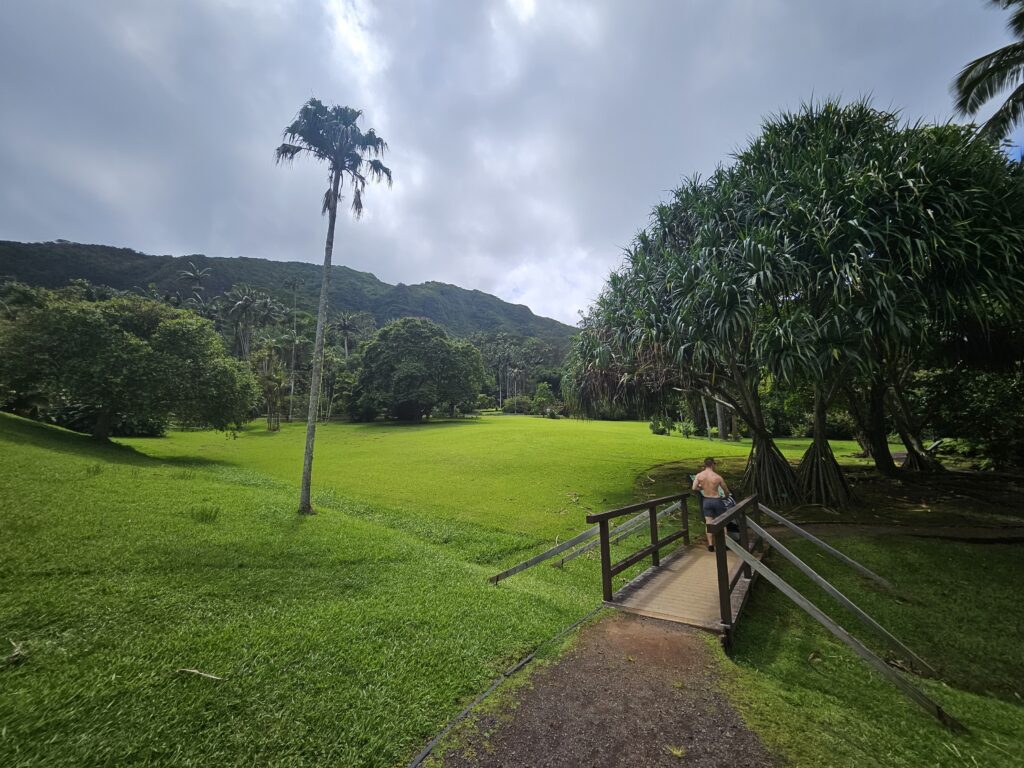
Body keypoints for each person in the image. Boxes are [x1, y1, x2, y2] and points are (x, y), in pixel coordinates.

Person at [692, 457, 730, 551]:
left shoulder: (699, 475)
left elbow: (694, 488)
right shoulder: (717, 477)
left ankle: (710, 545)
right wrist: (726, 496)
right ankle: (724, 544)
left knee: (708, 523)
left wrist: (701, 488)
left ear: (705, 465)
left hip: (706, 500)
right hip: (717, 500)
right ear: (713, 464)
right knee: (722, 522)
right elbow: (725, 489)